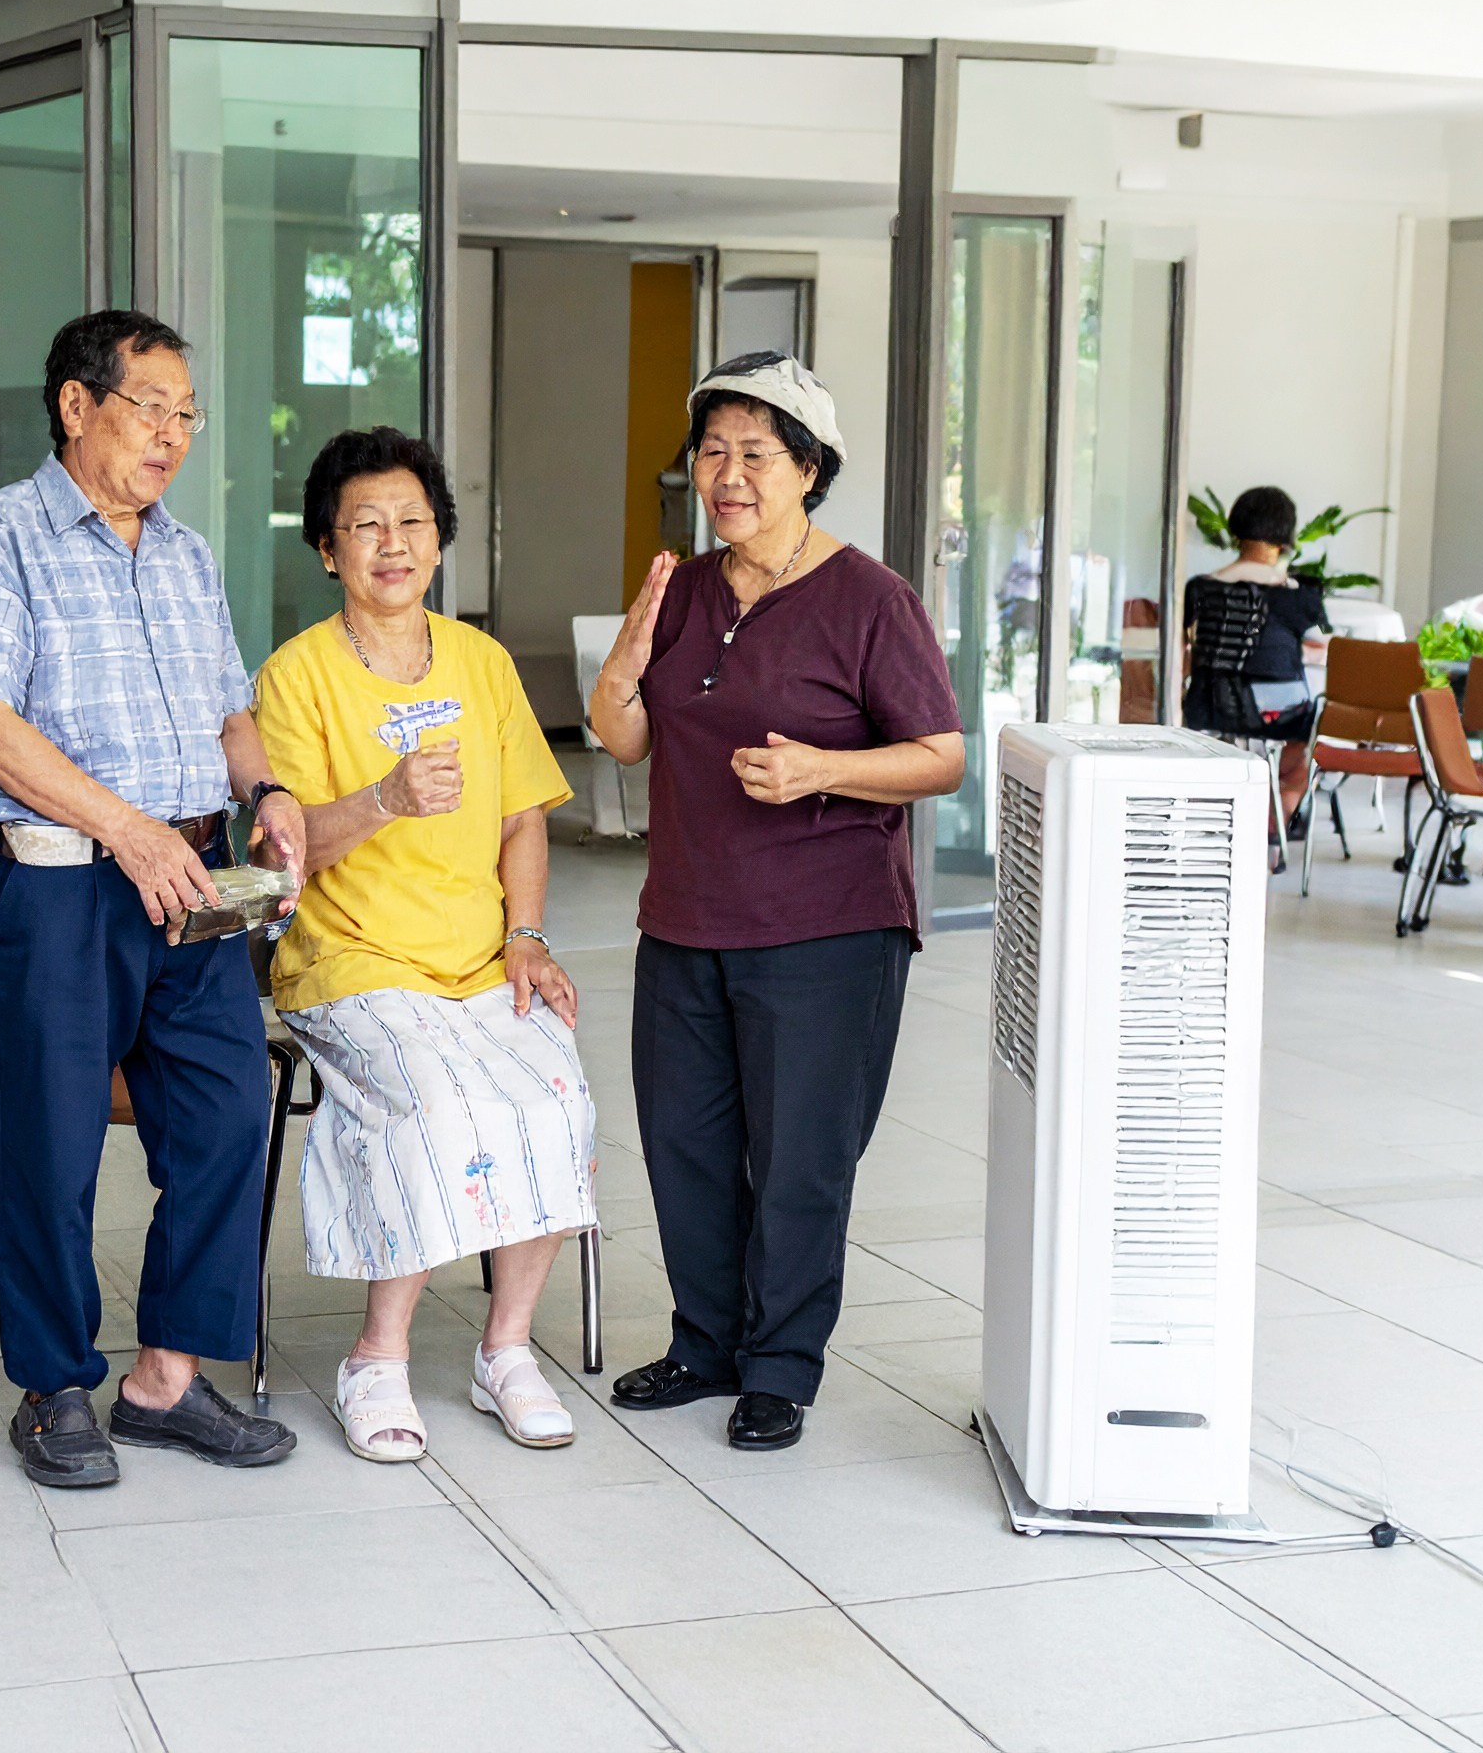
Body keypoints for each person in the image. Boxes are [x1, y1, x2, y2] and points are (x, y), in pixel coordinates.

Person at [0, 310, 306, 1487]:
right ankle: (53, 1389)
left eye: (188, 415)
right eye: (150, 408)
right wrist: (125, 828)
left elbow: (232, 711)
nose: (172, 435)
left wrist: (270, 786)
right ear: (77, 407)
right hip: (65, 889)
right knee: (51, 1143)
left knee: (232, 1114)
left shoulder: (184, 554)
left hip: (195, 887)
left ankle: (166, 1379)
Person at [584, 352, 963, 1452]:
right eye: (712, 451)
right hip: (686, 917)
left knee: (798, 1155)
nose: (728, 474)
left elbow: (939, 756)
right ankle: (705, 1341)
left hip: (828, 927)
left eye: (755, 453)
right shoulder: (688, 589)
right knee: (687, 1143)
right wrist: (628, 649)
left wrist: (825, 771)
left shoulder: (870, 598)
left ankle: (780, 1364)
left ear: (808, 468)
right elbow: (626, 736)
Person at [253, 427, 596, 1462]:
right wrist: (384, 799)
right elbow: (286, 847)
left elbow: (523, 817)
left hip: (479, 961)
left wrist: (526, 935)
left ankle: (505, 1350)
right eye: (365, 526)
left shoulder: (483, 664)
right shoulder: (297, 676)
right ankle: (379, 1356)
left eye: (410, 522)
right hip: (350, 961)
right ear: (327, 549)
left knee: (554, 1093)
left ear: (440, 539)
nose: (391, 543)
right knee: (437, 1102)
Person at [1181, 485, 1328, 849]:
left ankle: (1223, 825)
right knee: (1302, 755)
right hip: (1278, 715)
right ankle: (1270, 834)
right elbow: (1320, 649)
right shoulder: (1296, 594)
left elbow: (1186, 650)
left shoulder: (1200, 588)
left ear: (1236, 530)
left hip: (1207, 707)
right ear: (1285, 537)